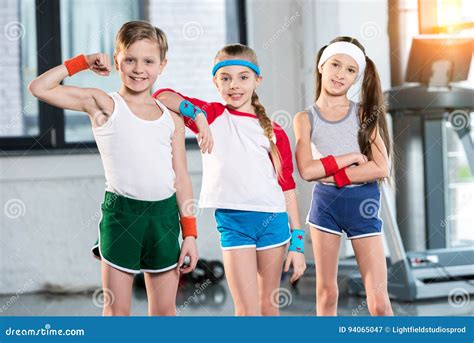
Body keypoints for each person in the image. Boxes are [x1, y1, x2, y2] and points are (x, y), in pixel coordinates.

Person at [28, 20, 212, 316]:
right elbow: (39, 88)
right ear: (117, 61)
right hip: (122, 215)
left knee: (165, 313)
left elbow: (181, 178)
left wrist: (190, 234)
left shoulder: (171, 117)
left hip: (164, 218)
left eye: (148, 61)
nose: (139, 69)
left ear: (162, 65)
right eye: (130, 60)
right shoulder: (104, 104)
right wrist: (84, 62)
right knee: (117, 313)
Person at [154, 43, 306, 316]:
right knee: (246, 311)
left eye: (243, 77)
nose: (234, 85)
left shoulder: (274, 131)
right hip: (234, 223)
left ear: (257, 80)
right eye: (226, 78)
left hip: (273, 221)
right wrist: (197, 115)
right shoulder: (213, 115)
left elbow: (288, 188)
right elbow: (162, 95)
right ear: (215, 81)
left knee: (268, 307)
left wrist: (298, 242)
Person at [293, 36, 393, 316]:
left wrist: (334, 176)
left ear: (356, 77)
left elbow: (380, 167)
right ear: (322, 66)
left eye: (350, 70)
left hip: (363, 204)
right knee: (326, 293)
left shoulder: (363, 114)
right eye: (336, 64)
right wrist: (350, 160)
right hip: (326, 207)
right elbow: (307, 170)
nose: (341, 74)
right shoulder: (305, 118)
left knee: (379, 302)